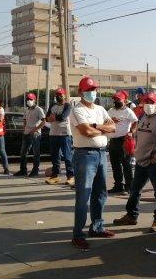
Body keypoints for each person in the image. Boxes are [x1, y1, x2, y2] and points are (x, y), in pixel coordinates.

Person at [113, 92, 156, 233]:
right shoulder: (142, 117)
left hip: (155, 164)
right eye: (146, 102)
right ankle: (131, 216)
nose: (148, 105)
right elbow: (138, 137)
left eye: (151, 102)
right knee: (134, 191)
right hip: (141, 163)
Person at [70, 76, 116, 251]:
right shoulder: (77, 110)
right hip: (85, 155)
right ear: (81, 92)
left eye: (94, 90)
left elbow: (113, 128)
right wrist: (100, 128)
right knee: (83, 196)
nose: (92, 93)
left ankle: (97, 227)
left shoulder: (100, 109)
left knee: (100, 193)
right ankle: (78, 235)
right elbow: (86, 132)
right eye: (88, 90)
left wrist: (96, 126)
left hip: (101, 154)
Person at [107, 91, 138, 194]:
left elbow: (136, 122)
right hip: (113, 141)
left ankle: (129, 186)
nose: (116, 101)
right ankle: (118, 185)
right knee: (115, 164)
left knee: (126, 165)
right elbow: (104, 120)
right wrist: (111, 120)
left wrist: (131, 132)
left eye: (118, 99)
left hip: (124, 141)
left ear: (124, 100)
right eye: (115, 99)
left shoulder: (128, 111)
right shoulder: (111, 110)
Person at [46, 88, 75, 186]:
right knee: (55, 156)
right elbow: (47, 118)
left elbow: (63, 117)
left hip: (65, 134)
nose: (58, 96)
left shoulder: (67, 105)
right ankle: (55, 176)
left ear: (64, 95)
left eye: (60, 95)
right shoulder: (52, 105)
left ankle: (71, 176)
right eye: (57, 95)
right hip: (53, 134)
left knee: (67, 156)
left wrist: (53, 117)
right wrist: (53, 117)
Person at [14, 93, 46, 177]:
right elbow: (24, 120)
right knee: (23, 152)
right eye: (28, 99)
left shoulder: (39, 109)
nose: (29, 101)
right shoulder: (26, 110)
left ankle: (35, 171)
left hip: (35, 134)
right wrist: (24, 129)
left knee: (36, 153)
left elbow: (44, 121)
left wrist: (35, 130)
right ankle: (23, 170)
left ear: (34, 100)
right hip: (26, 133)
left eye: (31, 99)